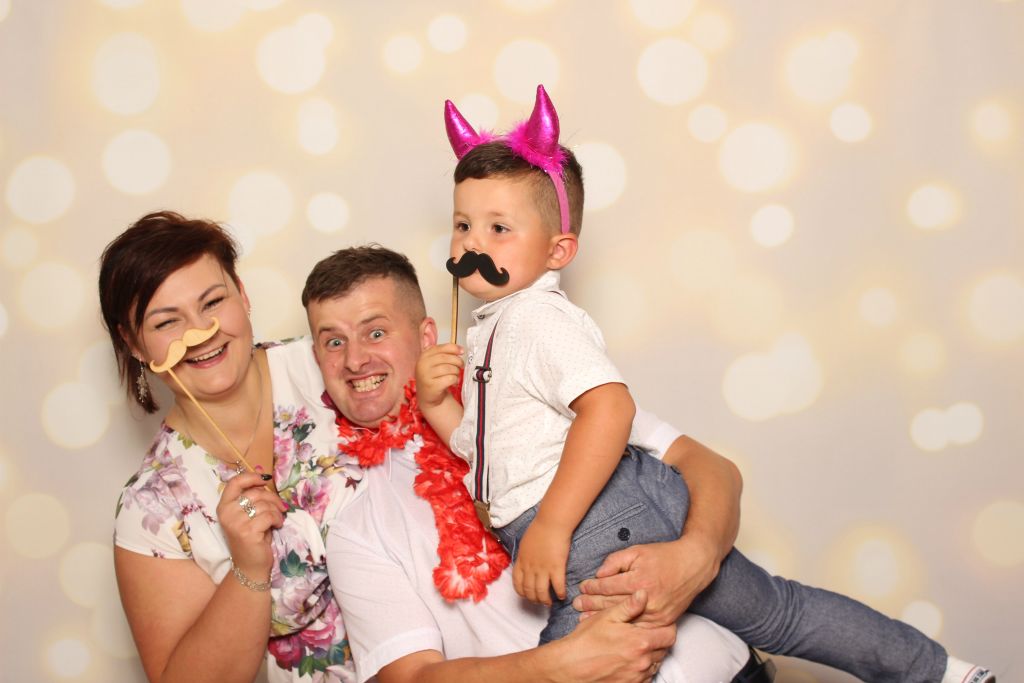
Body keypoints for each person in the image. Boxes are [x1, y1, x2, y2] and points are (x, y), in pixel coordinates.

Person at [414, 85, 994, 683]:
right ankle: (943, 672)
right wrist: (435, 403)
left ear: (558, 250)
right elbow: (494, 449)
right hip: (611, 512)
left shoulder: (537, 320)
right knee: (780, 613)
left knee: (582, 664)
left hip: (598, 525)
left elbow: (609, 411)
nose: (472, 243)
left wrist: (554, 526)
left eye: (499, 228)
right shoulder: (499, 326)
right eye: (463, 225)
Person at [313, 245, 770, 683]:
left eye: (376, 333)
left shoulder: (520, 392)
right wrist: (560, 668)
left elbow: (712, 468)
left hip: (736, 668)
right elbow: (411, 678)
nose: (355, 359)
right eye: (333, 341)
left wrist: (697, 556)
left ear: (426, 336)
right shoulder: (358, 527)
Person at [99, 211, 360, 683]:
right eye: (167, 322)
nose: (201, 333)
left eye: (213, 302)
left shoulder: (339, 362)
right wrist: (248, 570)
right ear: (133, 342)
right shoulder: (152, 508)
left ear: (242, 293)